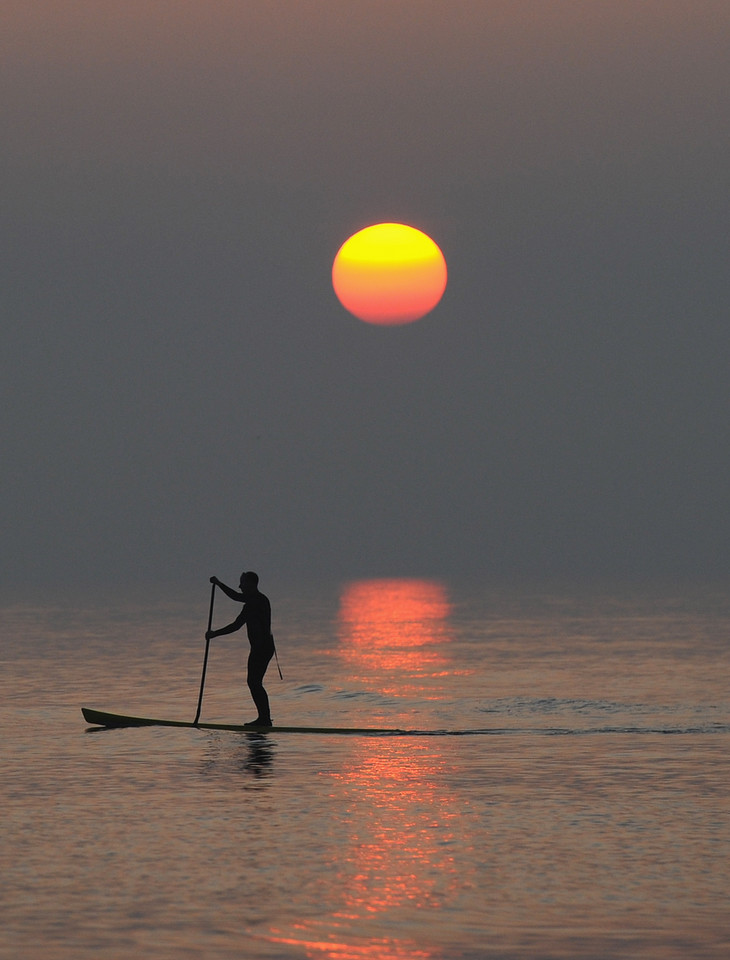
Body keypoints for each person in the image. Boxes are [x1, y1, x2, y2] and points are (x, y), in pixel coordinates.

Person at [206, 571, 275, 727]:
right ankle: (264, 718)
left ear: (251, 584)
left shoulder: (259, 601)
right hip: (258, 648)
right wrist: (215, 634)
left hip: (263, 648)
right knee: (254, 682)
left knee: (254, 682)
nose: (240, 586)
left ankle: (264, 719)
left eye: (242, 583)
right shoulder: (250, 605)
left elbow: (236, 597)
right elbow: (236, 625)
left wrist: (219, 583)